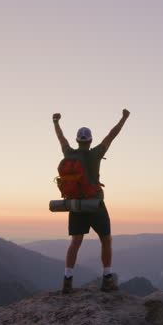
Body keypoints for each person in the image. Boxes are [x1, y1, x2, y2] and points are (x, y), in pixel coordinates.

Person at [53, 109, 130, 293]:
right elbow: (112, 135)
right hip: (95, 204)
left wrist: (56, 121)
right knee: (106, 240)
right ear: (90, 141)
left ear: (78, 140)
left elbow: (61, 138)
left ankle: (67, 280)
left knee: (75, 242)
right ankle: (107, 279)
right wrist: (123, 118)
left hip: (76, 205)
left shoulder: (68, 153)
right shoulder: (95, 153)